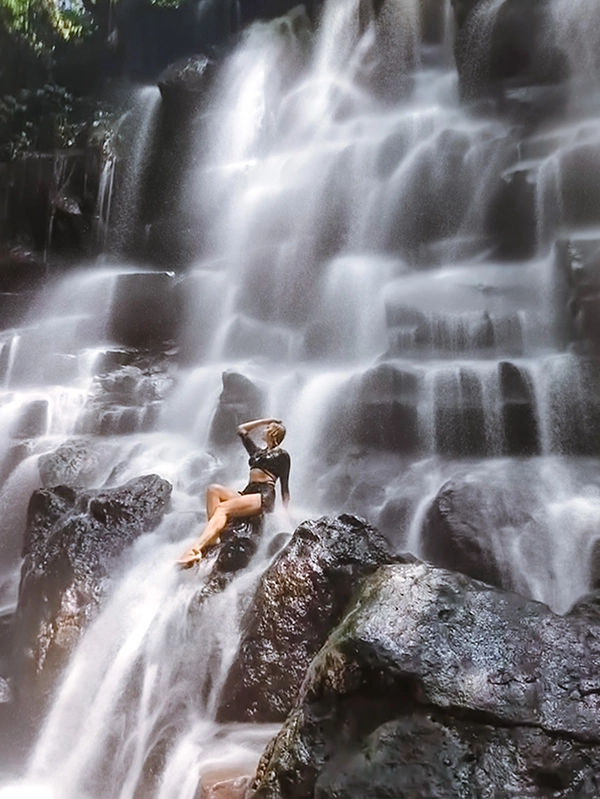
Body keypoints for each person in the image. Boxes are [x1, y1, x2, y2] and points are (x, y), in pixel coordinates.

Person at [178, 417, 290, 567]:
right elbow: (242, 430)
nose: (263, 430)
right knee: (213, 490)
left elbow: (284, 487)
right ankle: (213, 535)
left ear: (274, 433)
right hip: (247, 493)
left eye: (267, 428)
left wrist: (286, 514)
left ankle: (196, 549)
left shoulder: (283, 455)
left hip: (263, 495)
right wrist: (265, 420)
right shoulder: (257, 453)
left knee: (223, 509)